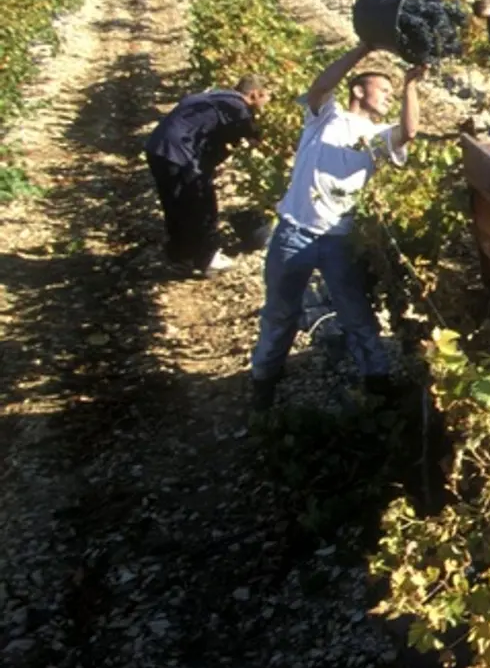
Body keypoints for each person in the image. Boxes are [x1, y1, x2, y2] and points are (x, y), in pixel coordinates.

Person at [248, 42, 424, 411]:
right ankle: (263, 379)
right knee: (280, 311)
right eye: (385, 89)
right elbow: (321, 85)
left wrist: (411, 85)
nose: (389, 97)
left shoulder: (377, 137)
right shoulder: (325, 117)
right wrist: (365, 48)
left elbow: (408, 132)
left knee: (356, 314)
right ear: (359, 90)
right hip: (294, 232)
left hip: (338, 239)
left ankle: (377, 381)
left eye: (394, 93)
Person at [145, 75, 271, 274]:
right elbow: (248, 136)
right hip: (178, 152)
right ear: (255, 94)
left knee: (176, 203)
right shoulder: (237, 107)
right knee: (203, 202)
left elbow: (213, 139)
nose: (266, 106)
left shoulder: (217, 97)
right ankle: (207, 258)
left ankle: (180, 255)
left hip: (158, 148)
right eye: (266, 99)